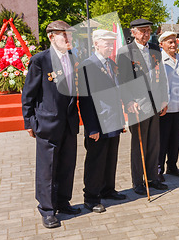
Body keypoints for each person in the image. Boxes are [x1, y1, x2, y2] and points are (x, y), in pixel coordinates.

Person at [21, 20, 80, 229]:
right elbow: (29, 92)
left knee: (66, 165)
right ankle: (47, 209)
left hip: (69, 122)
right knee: (48, 167)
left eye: (69, 34)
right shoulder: (40, 60)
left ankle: (63, 202)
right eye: (62, 34)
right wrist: (29, 120)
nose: (67, 38)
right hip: (48, 122)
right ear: (50, 37)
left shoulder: (74, 59)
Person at [116, 18, 169, 195]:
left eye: (148, 30)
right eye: (142, 31)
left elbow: (161, 76)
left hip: (155, 102)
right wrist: (129, 101)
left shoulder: (155, 49)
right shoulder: (125, 52)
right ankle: (138, 181)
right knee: (139, 143)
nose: (146, 34)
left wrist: (163, 99)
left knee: (154, 142)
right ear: (133, 32)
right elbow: (122, 81)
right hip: (137, 104)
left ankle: (153, 177)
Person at [78, 29, 126, 213]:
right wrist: (91, 127)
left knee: (110, 158)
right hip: (98, 122)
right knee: (95, 161)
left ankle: (108, 189)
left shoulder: (111, 64)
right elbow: (85, 99)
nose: (109, 46)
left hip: (113, 120)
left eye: (111, 43)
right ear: (96, 43)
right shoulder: (87, 66)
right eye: (106, 43)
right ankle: (91, 197)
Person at [157, 31, 179, 182]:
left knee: (176, 139)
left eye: (174, 42)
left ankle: (172, 166)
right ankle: (158, 169)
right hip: (165, 107)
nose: (173, 45)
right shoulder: (159, 61)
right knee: (163, 140)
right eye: (169, 42)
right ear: (162, 44)